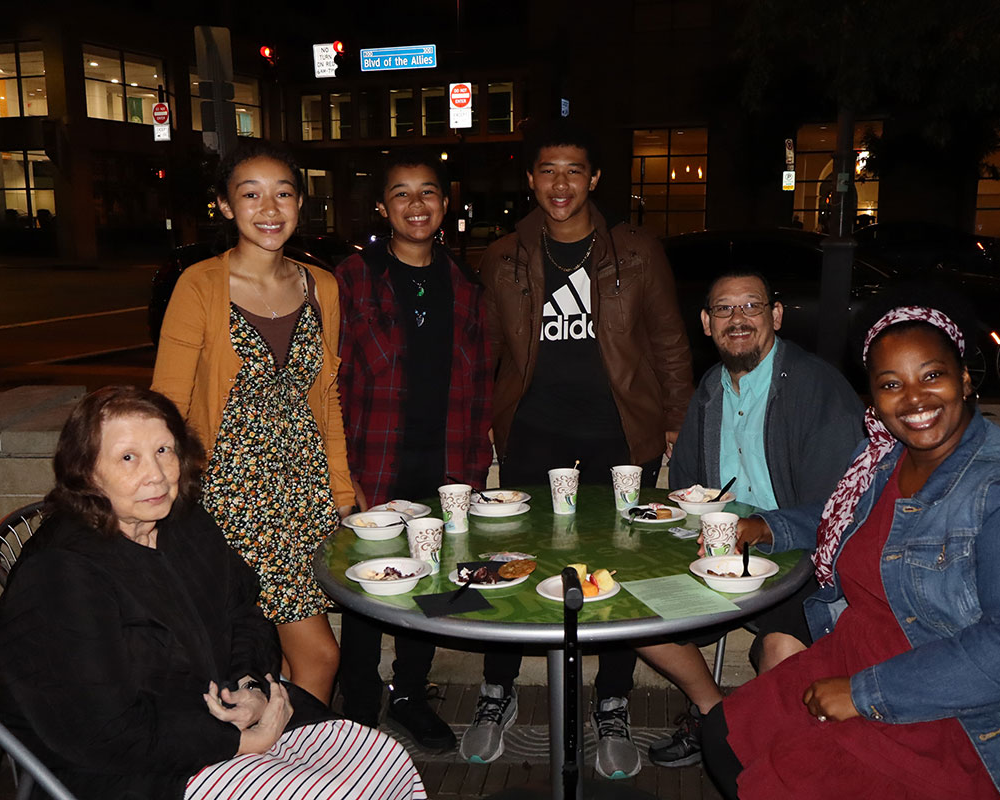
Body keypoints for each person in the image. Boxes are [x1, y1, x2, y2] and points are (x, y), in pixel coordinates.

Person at [700, 296, 1000, 799]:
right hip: (877, 648)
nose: (913, 399)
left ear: (966, 379)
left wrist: (866, 694)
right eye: (891, 384)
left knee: (785, 780)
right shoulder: (886, 458)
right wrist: (767, 526)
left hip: (992, 710)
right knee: (724, 737)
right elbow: (849, 516)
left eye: (932, 376)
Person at [0, 386, 426, 800]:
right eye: (128, 458)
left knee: (383, 759)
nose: (156, 475)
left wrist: (251, 686)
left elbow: (244, 613)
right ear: (86, 472)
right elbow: (103, 732)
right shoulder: (62, 575)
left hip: (219, 711)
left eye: (163, 450)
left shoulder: (183, 524)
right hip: (128, 767)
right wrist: (237, 742)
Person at [471, 120, 693, 778]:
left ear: (594, 179)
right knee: (508, 556)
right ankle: (495, 692)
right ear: (532, 179)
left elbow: (668, 340)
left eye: (574, 170)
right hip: (532, 425)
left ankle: (613, 704)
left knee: (616, 562)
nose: (560, 183)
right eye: (547, 170)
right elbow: (484, 349)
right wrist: (479, 415)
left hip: (618, 428)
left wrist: (675, 417)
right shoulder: (504, 255)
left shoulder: (636, 250)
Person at [152, 141, 360, 706]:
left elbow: (327, 398)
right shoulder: (200, 284)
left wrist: (340, 489)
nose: (270, 208)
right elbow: (165, 406)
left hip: (304, 493)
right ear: (224, 205)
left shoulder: (323, 286)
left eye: (283, 193)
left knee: (282, 659)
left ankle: (272, 766)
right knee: (318, 655)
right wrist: (167, 497)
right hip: (231, 497)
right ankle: (283, 772)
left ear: (300, 204)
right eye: (251, 194)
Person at [634, 269, 864, 767]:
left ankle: (778, 762)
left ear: (775, 315)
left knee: (782, 652)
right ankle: (715, 715)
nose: (737, 319)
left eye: (751, 306)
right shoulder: (711, 389)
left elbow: (839, 508)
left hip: (802, 557)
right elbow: (688, 486)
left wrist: (767, 527)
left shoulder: (817, 387)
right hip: (721, 548)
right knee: (635, 608)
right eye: (723, 309)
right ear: (706, 323)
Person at [334, 150, 492, 751]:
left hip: (443, 463)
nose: (416, 204)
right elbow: (331, 377)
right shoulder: (352, 277)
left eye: (428, 192)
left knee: (428, 580)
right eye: (401, 193)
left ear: (445, 206)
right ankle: (357, 701)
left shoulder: (465, 284)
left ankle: (408, 694)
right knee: (366, 584)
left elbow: (478, 388)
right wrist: (340, 473)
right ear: (383, 206)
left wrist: (471, 476)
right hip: (371, 456)